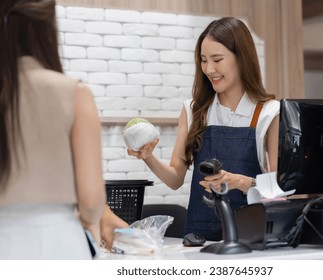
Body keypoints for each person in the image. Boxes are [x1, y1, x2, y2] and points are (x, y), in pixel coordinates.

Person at [104, 17, 280, 243]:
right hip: (200, 238)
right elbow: (176, 178)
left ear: (242, 58)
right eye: (203, 60)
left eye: (217, 59)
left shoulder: (268, 112)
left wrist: (241, 182)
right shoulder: (193, 110)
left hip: (253, 237)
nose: (209, 69)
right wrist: (148, 158)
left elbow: (277, 187)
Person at [0, 0, 106, 259]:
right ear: (48, 28)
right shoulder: (74, 93)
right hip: (58, 241)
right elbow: (91, 201)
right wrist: (91, 222)